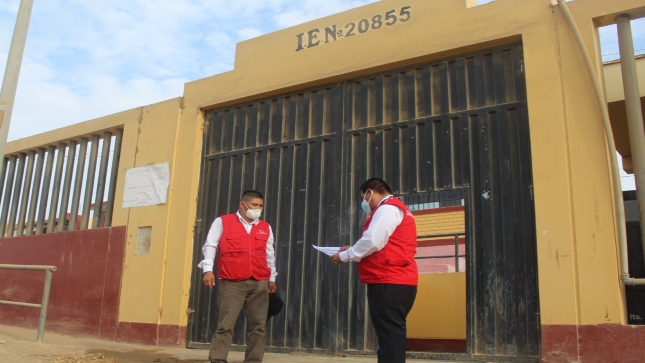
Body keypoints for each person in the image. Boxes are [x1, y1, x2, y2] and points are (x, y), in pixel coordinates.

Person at [330, 178, 418, 363]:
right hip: (399, 279)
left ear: (370, 192)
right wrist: (352, 249)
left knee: (389, 335)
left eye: (363, 198)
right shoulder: (401, 209)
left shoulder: (386, 209)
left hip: (388, 280)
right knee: (390, 333)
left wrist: (346, 256)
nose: (364, 203)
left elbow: (372, 241)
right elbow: (384, 243)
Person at [198, 190, 278, 363]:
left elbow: (269, 253)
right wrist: (208, 269)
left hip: (259, 282)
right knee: (225, 325)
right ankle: (218, 359)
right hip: (232, 282)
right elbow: (210, 246)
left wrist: (272, 278)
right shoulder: (223, 222)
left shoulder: (265, 227)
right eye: (254, 205)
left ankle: (253, 360)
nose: (258, 209)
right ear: (242, 204)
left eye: (260, 206)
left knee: (258, 327)